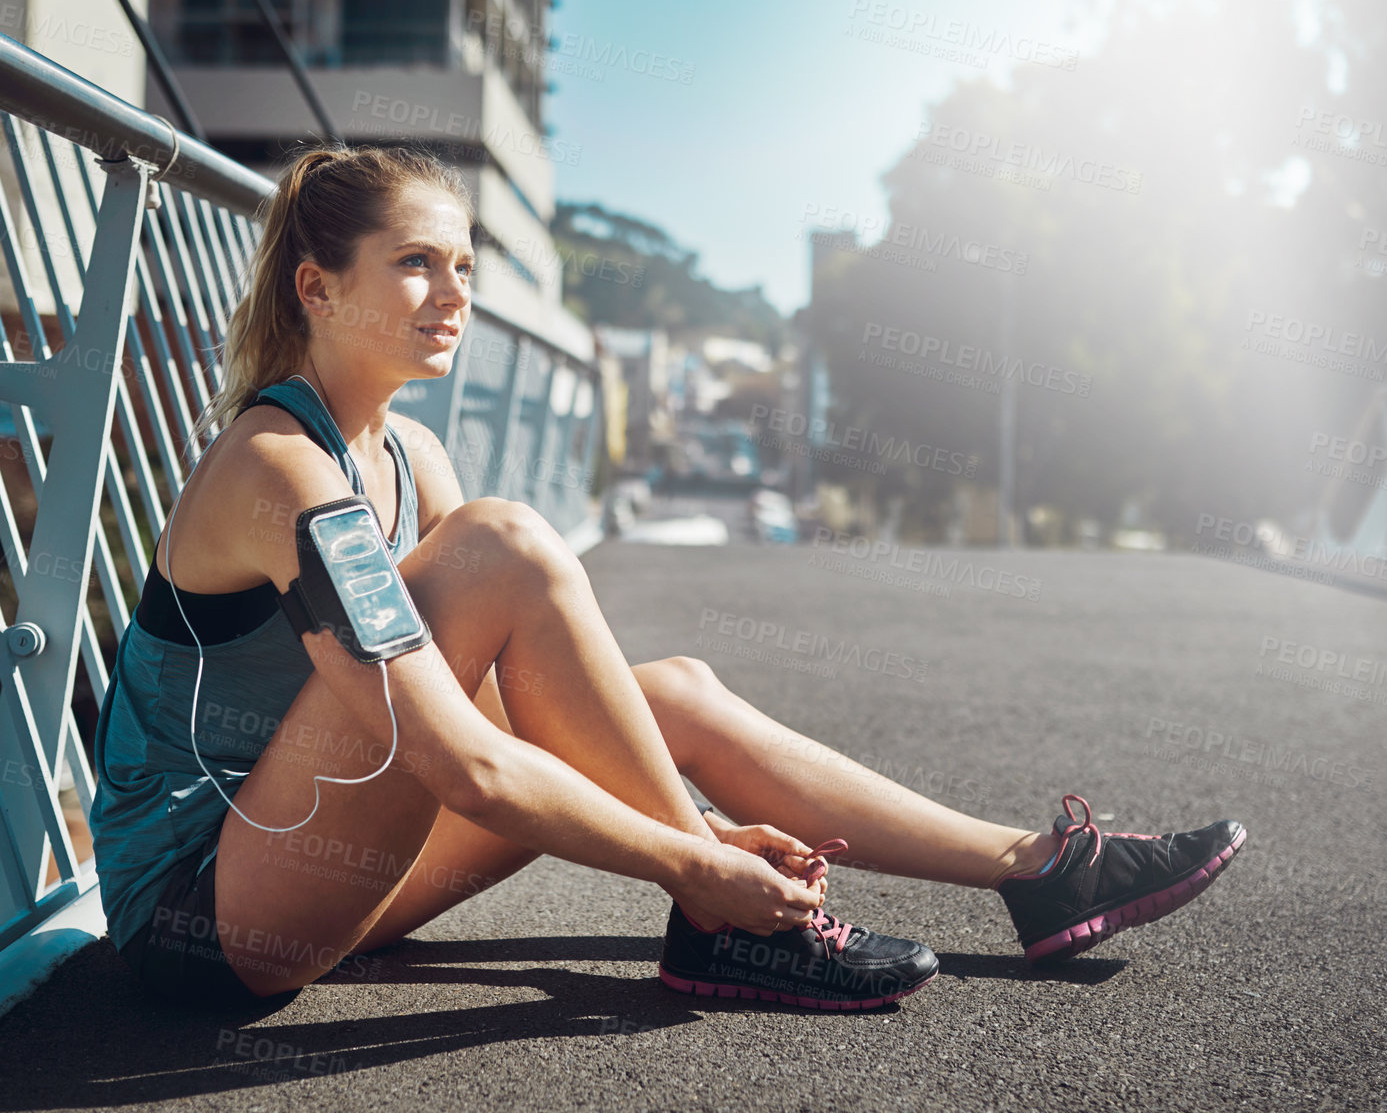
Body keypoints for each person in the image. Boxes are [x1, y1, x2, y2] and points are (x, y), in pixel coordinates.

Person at [87, 144, 1246, 1012]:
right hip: (203, 918)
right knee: (504, 545)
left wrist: (705, 820)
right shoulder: (276, 469)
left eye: (464, 268)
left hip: (329, 870)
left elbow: (494, 717)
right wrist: (698, 857)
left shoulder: (408, 457)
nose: (452, 294)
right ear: (316, 287)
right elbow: (465, 764)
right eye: (413, 264)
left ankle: (1039, 869)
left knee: (675, 687)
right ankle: (716, 920)